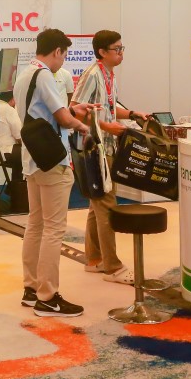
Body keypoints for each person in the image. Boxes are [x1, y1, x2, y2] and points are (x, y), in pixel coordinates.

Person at [16, 28, 92, 318]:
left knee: (36, 224)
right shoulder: (45, 75)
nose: (63, 61)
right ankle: (48, 298)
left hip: (33, 160)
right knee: (54, 228)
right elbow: (62, 118)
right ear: (57, 51)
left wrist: (74, 109)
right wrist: (82, 125)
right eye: (64, 54)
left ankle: (32, 288)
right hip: (52, 161)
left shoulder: (25, 74)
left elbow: (45, 111)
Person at [72, 29, 149, 286]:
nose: (121, 53)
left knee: (97, 204)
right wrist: (106, 127)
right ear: (102, 52)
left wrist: (132, 114)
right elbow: (76, 111)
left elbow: (111, 109)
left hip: (107, 147)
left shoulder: (109, 75)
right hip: (95, 149)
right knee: (106, 205)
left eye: (122, 48)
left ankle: (94, 258)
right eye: (117, 49)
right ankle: (113, 267)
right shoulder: (93, 75)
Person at [0, 90, 23, 183]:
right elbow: (19, 135)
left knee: (21, 153)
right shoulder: (8, 109)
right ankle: (17, 188)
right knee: (28, 152)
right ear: (13, 99)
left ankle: (14, 187)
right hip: (5, 151)